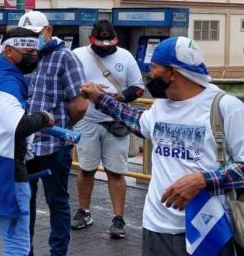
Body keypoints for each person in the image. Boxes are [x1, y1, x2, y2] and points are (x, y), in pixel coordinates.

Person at [80, 36, 244, 256]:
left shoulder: (225, 107)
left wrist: (201, 181)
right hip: (156, 227)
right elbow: (135, 120)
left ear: (173, 72)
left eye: (155, 67)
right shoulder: (160, 107)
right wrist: (99, 97)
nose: (150, 74)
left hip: (209, 230)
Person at [0, 27, 55, 256]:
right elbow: (20, 126)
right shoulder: (7, 82)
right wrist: (43, 118)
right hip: (4, 168)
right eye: (26, 50)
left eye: (35, 50)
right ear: (8, 50)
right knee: (16, 242)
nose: (32, 55)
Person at [18, 10, 89, 256]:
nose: (30, 41)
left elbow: (80, 104)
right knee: (25, 201)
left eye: (35, 35)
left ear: (48, 31)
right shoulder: (23, 58)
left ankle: (58, 252)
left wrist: (62, 128)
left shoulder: (64, 58)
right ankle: (24, 250)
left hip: (53, 146)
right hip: (25, 146)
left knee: (57, 202)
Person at [71, 20, 145, 238]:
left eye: (108, 45)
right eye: (100, 45)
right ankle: (84, 211)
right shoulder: (77, 54)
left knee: (115, 171)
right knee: (86, 168)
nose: (105, 48)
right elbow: (67, 83)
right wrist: (85, 89)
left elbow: (139, 87)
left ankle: (118, 218)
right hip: (88, 119)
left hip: (115, 122)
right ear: (91, 40)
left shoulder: (125, 56)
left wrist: (118, 97)